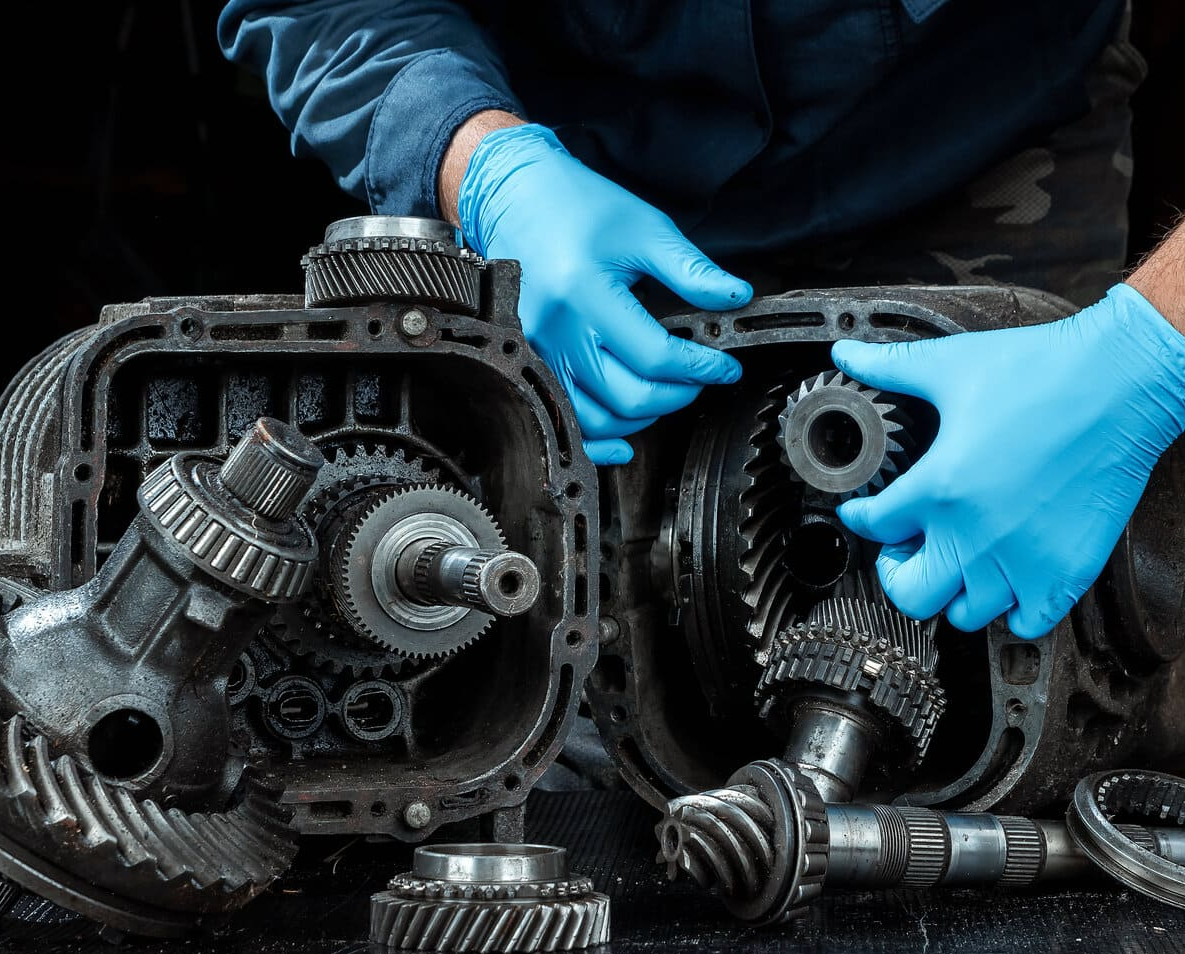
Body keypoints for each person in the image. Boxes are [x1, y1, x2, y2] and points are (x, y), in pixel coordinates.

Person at [216, 1, 1185, 639]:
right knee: (554, 638)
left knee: (1060, 632)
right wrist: (481, 165)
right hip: (581, 166)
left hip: (987, 121)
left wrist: (1145, 355)